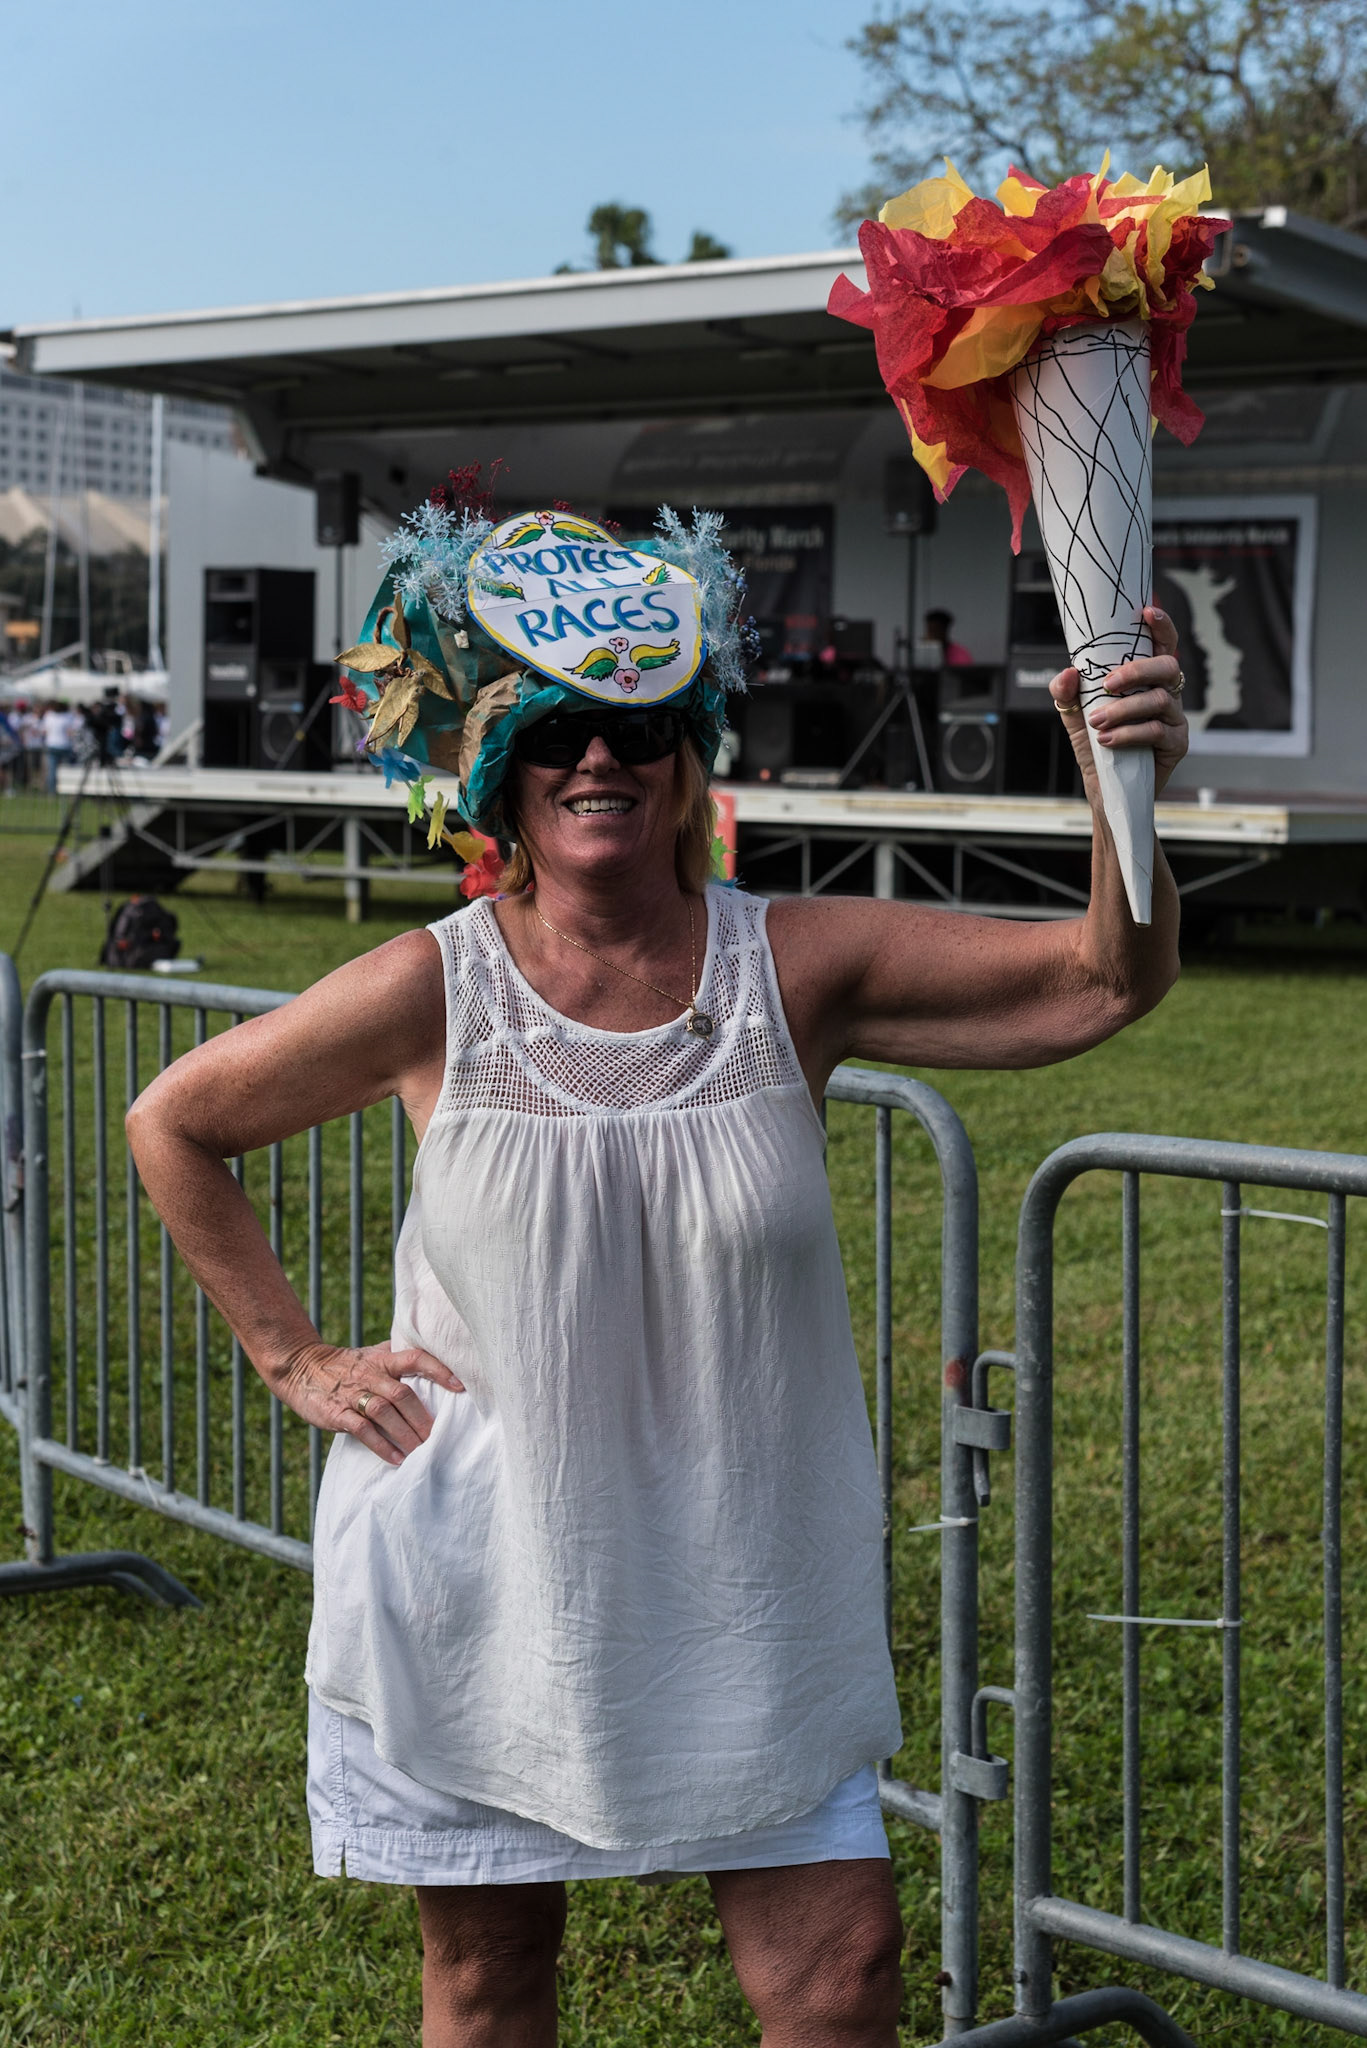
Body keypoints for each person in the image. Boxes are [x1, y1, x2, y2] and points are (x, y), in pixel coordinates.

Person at [126, 496, 1189, 2048]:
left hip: (748, 1578)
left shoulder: (796, 965)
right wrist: (294, 1357)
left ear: (690, 761)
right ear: (503, 771)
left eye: (638, 727)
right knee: (491, 1987)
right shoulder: (437, 985)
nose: (597, 760)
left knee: (839, 1980)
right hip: (491, 1575)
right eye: (555, 733)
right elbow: (176, 1123)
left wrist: (1123, 781)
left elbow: (1109, 977)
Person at [41, 699, 72, 793]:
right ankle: (65, 790)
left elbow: (45, 731)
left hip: (53, 745)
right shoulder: (67, 716)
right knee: (65, 769)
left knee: (52, 770)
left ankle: (52, 791)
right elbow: (70, 732)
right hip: (64, 745)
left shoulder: (48, 716)